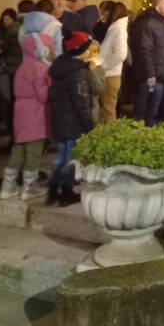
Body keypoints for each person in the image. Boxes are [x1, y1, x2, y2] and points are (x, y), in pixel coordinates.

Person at [0, 31, 53, 201]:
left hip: (20, 113)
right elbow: (43, 95)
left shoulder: (23, 66)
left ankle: (7, 187)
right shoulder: (40, 68)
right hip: (35, 115)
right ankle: (29, 188)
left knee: (18, 150)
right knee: (34, 151)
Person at [47, 31, 96, 206]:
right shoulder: (78, 73)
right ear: (79, 50)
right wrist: (90, 126)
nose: (91, 51)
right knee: (72, 157)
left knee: (62, 155)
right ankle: (66, 191)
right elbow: (81, 102)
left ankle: (53, 188)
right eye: (88, 48)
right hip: (74, 122)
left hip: (61, 119)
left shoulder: (61, 66)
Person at [132, 0, 164, 127]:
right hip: (158, 75)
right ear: (158, 8)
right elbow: (146, 50)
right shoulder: (150, 25)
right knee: (153, 108)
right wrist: (150, 74)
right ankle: (151, 134)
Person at [98, 2, 129, 123]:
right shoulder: (115, 28)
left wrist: (103, 66)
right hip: (109, 74)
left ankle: (112, 138)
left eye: (105, 12)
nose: (103, 15)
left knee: (108, 111)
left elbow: (120, 53)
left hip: (110, 75)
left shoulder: (118, 29)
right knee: (105, 110)